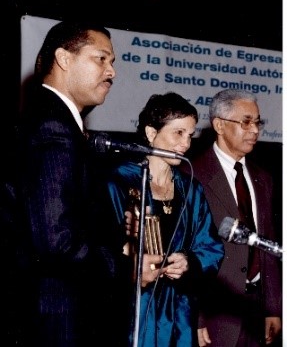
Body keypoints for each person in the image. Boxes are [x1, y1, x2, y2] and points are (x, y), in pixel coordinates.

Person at [3, 20, 119, 346]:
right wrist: (123, 264)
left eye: (112, 63)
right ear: (64, 59)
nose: (112, 72)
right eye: (101, 58)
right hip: (55, 314)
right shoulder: (54, 126)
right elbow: (56, 240)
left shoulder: (47, 117)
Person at [101, 92, 225, 346]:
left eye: (189, 135)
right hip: (133, 307)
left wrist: (189, 262)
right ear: (150, 133)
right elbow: (102, 247)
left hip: (179, 311)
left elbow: (210, 246)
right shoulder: (120, 181)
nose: (185, 144)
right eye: (177, 133)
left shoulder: (191, 188)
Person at [191, 89, 282, 346]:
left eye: (257, 122)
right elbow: (188, 251)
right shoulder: (193, 174)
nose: (254, 130)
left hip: (256, 311)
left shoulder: (263, 178)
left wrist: (274, 308)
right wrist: (197, 318)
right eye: (246, 121)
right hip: (215, 315)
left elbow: (268, 246)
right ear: (219, 125)